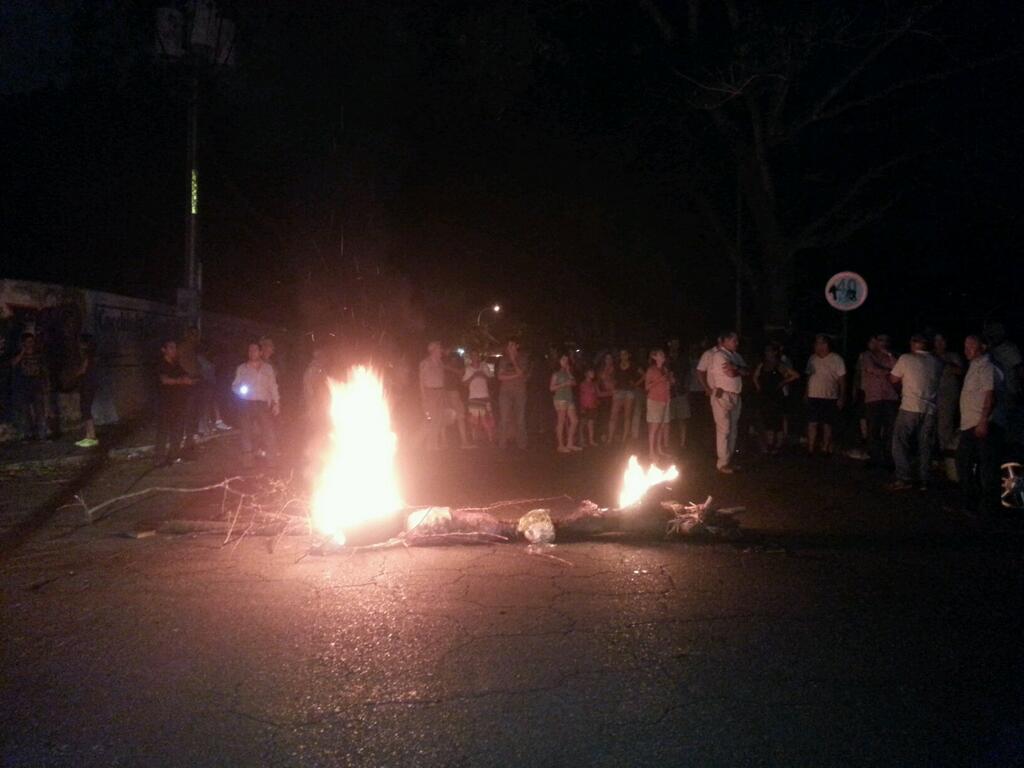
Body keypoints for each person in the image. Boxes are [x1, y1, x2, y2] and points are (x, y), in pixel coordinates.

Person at [956, 335, 1005, 518]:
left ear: (982, 347)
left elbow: (989, 396)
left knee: (985, 467)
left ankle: (986, 507)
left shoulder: (987, 367)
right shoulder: (975, 366)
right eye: (965, 346)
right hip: (971, 423)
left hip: (982, 424)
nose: (967, 349)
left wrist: (983, 421)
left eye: (971, 346)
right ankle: (973, 504)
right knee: (967, 463)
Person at [887, 334, 943, 491]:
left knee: (900, 441)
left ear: (913, 344)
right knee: (925, 445)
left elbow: (893, 379)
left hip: (910, 406)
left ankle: (904, 478)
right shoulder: (937, 362)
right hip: (930, 409)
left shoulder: (906, 358)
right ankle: (924, 479)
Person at [704, 331, 747, 473]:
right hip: (722, 395)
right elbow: (731, 373)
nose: (737, 343)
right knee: (724, 429)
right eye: (734, 340)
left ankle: (729, 459)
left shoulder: (736, 356)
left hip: (735, 395)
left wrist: (737, 368)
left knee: (733, 429)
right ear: (726, 341)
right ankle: (722, 463)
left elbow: (747, 371)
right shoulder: (719, 355)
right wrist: (738, 369)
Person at [232, 341, 281, 467]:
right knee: (246, 432)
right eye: (250, 350)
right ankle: (248, 461)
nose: (252, 352)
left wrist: (276, 402)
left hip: (263, 404)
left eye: (254, 350)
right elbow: (235, 385)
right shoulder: (242, 368)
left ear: (260, 352)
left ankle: (272, 460)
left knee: (268, 431)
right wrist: (241, 392)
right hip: (247, 403)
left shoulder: (268, 368)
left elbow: (273, 386)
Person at [858, 334, 898, 467]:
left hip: (890, 397)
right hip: (873, 397)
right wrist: (888, 371)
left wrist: (889, 356)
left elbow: (898, 370)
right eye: (879, 340)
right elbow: (872, 369)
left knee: (890, 429)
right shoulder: (867, 356)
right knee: (873, 429)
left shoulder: (890, 356)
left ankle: (888, 457)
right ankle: (874, 457)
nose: (882, 343)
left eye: (884, 341)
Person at [804, 334, 847, 456]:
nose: (819, 346)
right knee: (812, 422)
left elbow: (842, 380)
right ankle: (811, 448)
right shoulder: (812, 359)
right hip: (813, 395)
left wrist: (841, 397)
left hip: (829, 396)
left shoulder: (836, 359)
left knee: (827, 424)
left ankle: (825, 448)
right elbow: (808, 376)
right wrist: (806, 392)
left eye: (822, 343)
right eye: (817, 343)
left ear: (827, 345)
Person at [754, 343, 799, 455]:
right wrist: (759, 387)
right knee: (768, 421)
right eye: (766, 351)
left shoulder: (779, 365)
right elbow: (755, 376)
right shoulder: (763, 364)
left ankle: (778, 445)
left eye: (769, 351)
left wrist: (783, 382)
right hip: (765, 396)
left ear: (774, 352)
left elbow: (795, 375)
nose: (767, 353)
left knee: (777, 422)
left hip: (776, 397)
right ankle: (770, 444)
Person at [154, 339, 194, 466]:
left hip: (178, 403)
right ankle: (159, 458)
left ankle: (173, 455)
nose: (174, 350)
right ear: (163, 350)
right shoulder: (160, 364)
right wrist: (180, 381)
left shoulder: (176, 364)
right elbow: (165, 380)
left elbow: (186, 377)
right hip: (165, 404)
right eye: (171, 347)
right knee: (163, 431)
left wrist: (185, 380)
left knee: (177, 430)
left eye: (175, 348)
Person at [10, 332, 47, 441]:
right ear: (23, 343)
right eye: (28, 342)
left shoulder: (38, 354)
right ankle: (28, 435)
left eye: (32, 341)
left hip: (37, 385)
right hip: (24, 386)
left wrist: (45, 384)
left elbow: (43, 369)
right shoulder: (19, 354)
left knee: (40, 411)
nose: (30, 344)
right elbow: (13, 363)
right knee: (25, 412)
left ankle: (42, 435)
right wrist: (22, 353)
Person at [933, 332, 964, 456]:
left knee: (945, 426)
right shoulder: (930, 356)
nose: (939, 344)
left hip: (947, 396)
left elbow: (961, 371)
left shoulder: (952, 356)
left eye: (942, 341)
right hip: (931, 395)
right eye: (937, 341)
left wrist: (945, 363)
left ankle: (946, 455)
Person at [497, 338, 529, 450]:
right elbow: (500, 377)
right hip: (505, 392)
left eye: (512, 345)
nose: (510, 348)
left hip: (520, 392)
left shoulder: (523, 358)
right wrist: (516, 376)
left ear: (516, 346)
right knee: (504, 418)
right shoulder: (503, 359)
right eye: (508, 346)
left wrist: (513, 360)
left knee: (520, 419)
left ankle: (522, 444)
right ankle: (502, 444)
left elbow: (521, 372)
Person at [644, 349, 672, 460]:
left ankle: (659, 449)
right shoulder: (651, 370)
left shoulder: (665, 369)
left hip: (664, 400)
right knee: (654, 427)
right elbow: (646, 387)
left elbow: (667, 384)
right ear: (655, 357)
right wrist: (660, 380)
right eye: (660, 354)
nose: (663, 356)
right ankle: (651, 452)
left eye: (663, 354)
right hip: (654, 400)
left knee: (661, 426)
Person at [419, 341, 446, 451]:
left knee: (438, 419)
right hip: (430, 393)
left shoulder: (440, 363)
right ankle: (425, 444)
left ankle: (434, 444)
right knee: (430, 419)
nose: (441, 351)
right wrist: (423, 396)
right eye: (439, 349)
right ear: (433, 350)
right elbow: (421, 380)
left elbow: (442, 378)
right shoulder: (425, 363)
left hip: (440, 392)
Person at [607, 349, 639, 445]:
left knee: (627, 416)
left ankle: (624, 438)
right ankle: (610, 438)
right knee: (613, 415)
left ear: (628, 355)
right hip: (618, 391)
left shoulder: (633, 365)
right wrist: (612, 385)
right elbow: (608, 375)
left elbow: (644, 375)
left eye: (625, 354)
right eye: (621, 354)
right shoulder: (616, 365)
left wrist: (636, 384)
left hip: (629, 391)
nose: (623, 356)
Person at [72, 334, 98, 448]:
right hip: (87, 385)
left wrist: (74, 374)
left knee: (86, 409)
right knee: (85, 409)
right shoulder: (90, 356)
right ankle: (88, 435)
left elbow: (83, 370)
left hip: (88, 385)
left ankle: (91, 436)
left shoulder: (88, 356)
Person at [442, 350, 472, 449]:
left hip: (452, 393)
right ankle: (461, 442)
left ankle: (459, 442)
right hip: (449, 393)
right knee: (456, 416)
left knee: (458, 416)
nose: (454, 361)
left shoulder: (455, 368)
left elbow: (461, 375)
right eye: (453, 359)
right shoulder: (446, 366)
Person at [550, 353, 580, 453]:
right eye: (563, 359)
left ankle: (570, 443)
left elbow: (574, 383)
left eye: (566, 360)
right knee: (561, 421)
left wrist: (568, 372)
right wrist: (563, 384)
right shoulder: (556, 374)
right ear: (559, 361)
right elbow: (551, 388)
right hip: (560, 398)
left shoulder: (568, 372)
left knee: (575, 420)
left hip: (569, 398)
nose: (565, 361)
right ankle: (560, 445)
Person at [463, 351, 495, 444]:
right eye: (473, 355)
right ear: (471, 358)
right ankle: (474, 439)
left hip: (485, 396)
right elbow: (464, 384)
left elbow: (491, 380)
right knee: (474, 419)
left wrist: (483, 375)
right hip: (473, 397)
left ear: (479, 356)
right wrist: (473, 376)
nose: (475, 357)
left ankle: (490, 438)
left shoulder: (484, 366)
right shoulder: (468, 369)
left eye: (476, 355)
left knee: (487, 419)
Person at [578, 367, 600, 447]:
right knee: (583, 423)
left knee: (591, 424)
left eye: (593, 372)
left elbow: (597, 394)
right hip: (585, 406)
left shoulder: (594, 384)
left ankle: (591, 440)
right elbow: (581, 396)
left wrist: (611, 392)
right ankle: (581, 440)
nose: (592, 373)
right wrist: (582, 407)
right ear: (586, 374)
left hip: (593, 406)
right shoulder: (583, 384)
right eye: (591, 372)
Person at [597, 352, 615, 442]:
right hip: (603, 396)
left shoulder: (614, 370)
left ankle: (611, 435)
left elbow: (614, 383)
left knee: (612, 416)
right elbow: (598, 383)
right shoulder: (601, 370)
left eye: (610, 358)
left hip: (612, 396)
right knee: (604, 415)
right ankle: (603, 434)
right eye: (607, 358)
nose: (608, 360)